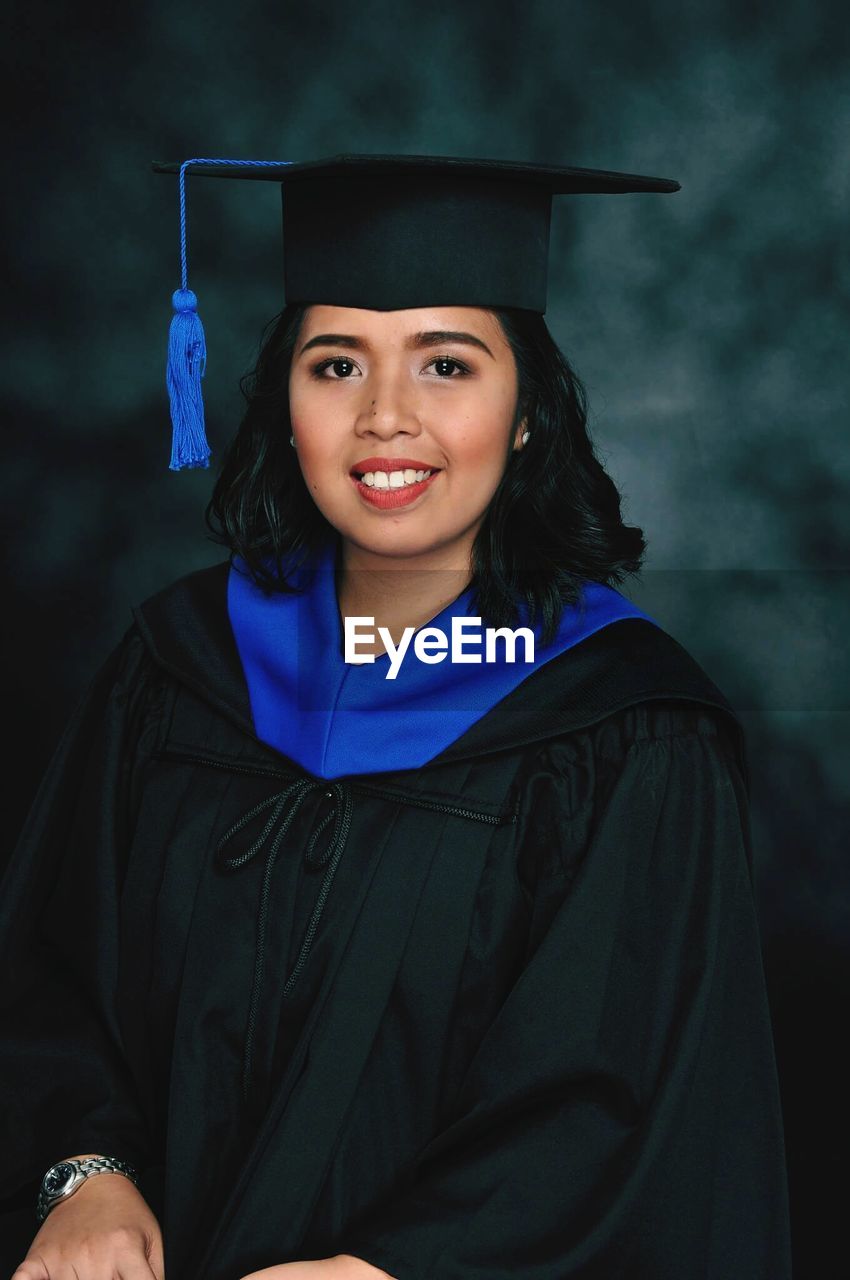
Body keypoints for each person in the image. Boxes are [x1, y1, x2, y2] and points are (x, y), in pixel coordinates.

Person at [1, 155, 792, 1279]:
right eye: (336, 364)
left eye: (447, 364)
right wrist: (86, 1171)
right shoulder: (174, 670)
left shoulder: (624, 730)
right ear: (287, 403)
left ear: (527, 415)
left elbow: (635, 1113)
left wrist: (389, 1270)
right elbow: (49, 975)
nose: (385, 417)